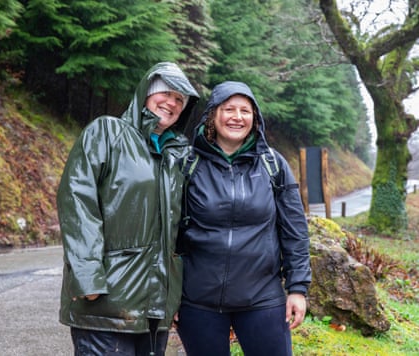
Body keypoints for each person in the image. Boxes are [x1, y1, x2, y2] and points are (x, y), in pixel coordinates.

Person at [56, 62, 199, 356]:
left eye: (180, 99)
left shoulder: (178, 155)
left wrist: (174, 296)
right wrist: (87, 275)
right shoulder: (107, 132)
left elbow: (182, 230)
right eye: (166, 93)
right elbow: (77, 199)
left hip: (154, 309)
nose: (172, 103)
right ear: (146, 92)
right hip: (105, 301)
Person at [175, 81, 311, 356]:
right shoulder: (187, 165)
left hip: (262, 298)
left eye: (245, 111)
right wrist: (169, 295)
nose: (237, 117)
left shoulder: (273, 165)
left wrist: (298, 288)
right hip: (198, 300)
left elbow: (294, 230)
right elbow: (168, 232)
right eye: (229, 109)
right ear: (213, 115)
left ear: (255, 117)